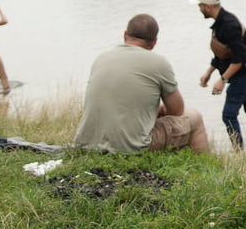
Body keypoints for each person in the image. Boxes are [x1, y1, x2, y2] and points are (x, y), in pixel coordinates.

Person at [74, 13, 209, 154]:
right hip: (132, 148)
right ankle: (203, 168)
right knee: (194, 118)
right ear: (154, 42)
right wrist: (161, 110)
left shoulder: (101, 58)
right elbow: (177, 111)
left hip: (87, 145)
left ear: (125, 35)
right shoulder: (159, 63)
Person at [191, 0, 246, 149]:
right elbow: (222, 54)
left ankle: (238, 152)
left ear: (208, 6)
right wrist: (208, 73)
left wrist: (222, 80)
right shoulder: (220, 24)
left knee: (228, 115)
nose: (199, 9)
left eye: (200, 6)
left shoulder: (229, 25)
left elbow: (239, 59)